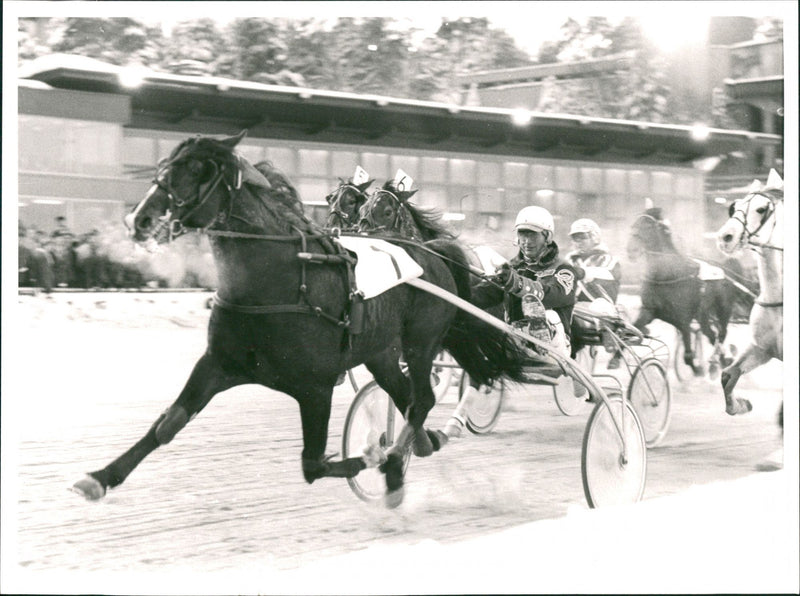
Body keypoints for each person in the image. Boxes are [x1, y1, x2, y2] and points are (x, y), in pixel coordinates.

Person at [444, 205, 580, 437]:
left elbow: (551, 294)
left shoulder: (564, 270)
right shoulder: (512, 268)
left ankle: (536, 336)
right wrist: (454, 298)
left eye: (532, 234)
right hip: (513, 340)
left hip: (555, 347)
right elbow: (483, 295)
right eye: (522, 234)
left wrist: (516, 283)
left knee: (546, 313)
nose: (526, 241)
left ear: (547, 236)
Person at [566, 218, 623, 368]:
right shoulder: (570, 259)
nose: (578, 242)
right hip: (575, 307)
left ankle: (608, 336)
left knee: (600, 305)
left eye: (583, 237)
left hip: (598, 309)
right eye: (575, 238)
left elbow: (608, 274)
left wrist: (583, 272)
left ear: (595, 237)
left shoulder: (609, 259)